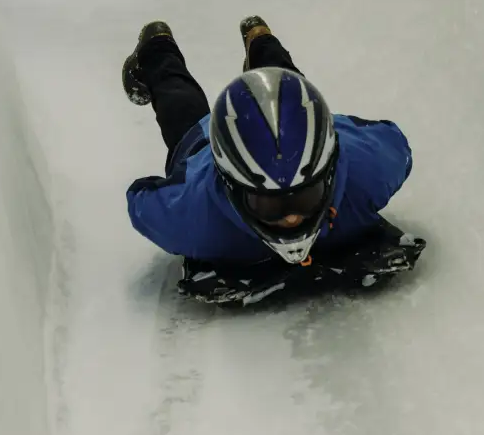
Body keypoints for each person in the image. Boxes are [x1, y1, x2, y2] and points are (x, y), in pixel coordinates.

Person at [122, 16, 417, 289]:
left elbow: (391, 141)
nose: (291, 220)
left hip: (329, 137)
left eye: (305, 196)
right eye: (270, 205)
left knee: (287, 91)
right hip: (204, 152)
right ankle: (157, 45)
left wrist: (331, 127)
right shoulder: (192, 216)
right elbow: (142, 201)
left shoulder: (367, 172)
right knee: (180, 102)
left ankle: (259, 40)